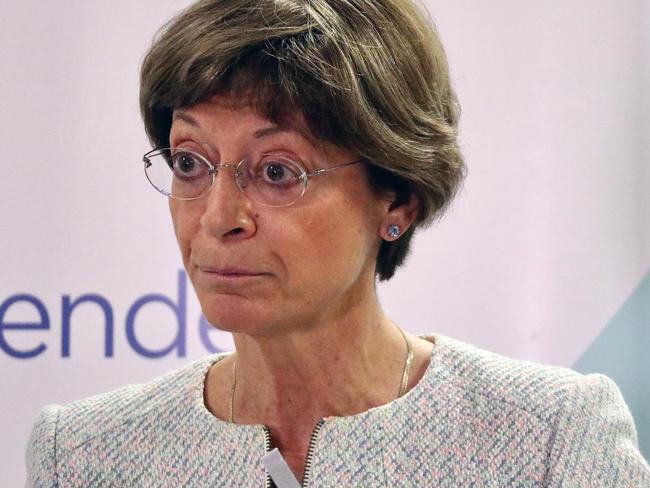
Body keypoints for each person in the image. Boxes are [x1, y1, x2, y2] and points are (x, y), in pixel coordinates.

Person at [26, 0, 650, 486]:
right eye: (191, 162)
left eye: (277, 171)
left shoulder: (547, 437)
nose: (218, 218)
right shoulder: (85, 453)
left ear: (397, 199)